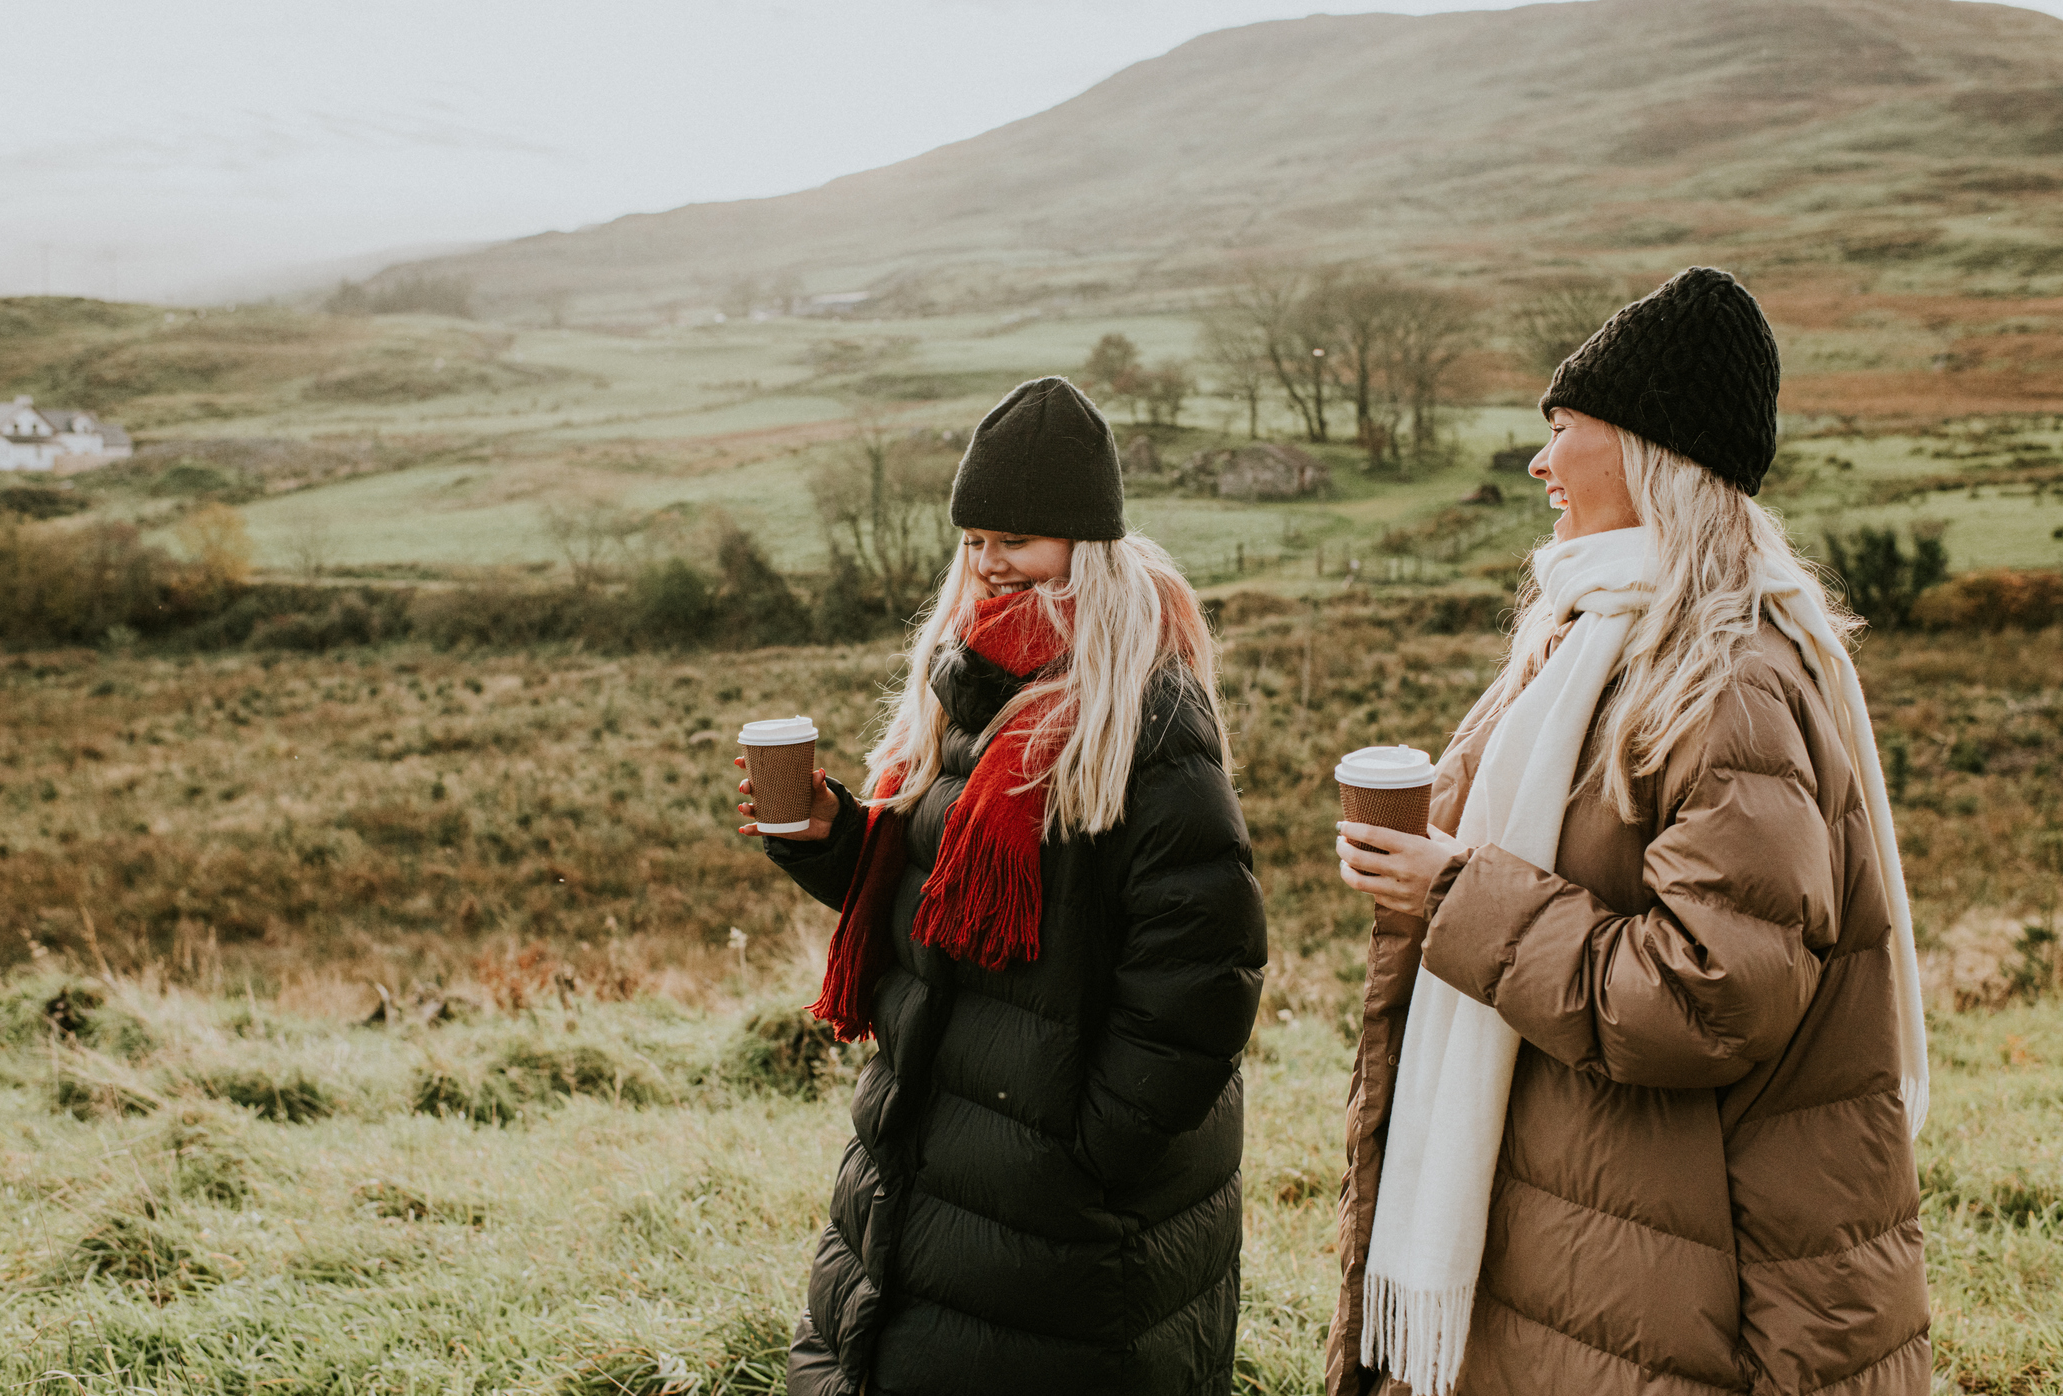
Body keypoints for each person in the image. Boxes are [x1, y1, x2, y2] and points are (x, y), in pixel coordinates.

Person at [1321, 268, 1930, 1396]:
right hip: (1607, 1239)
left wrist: (1455, 897)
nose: (1541, 464)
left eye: (1564, 433)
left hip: (1695, 1284)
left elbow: (1714, 991)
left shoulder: (1725, 680)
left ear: (1649, 450)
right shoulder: (1593, 637)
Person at [735, 376, 1266, 1396]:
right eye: (975, 538)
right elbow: (943, 905)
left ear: (1086, 545)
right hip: (928, 1160)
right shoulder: (973, 684)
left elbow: (1207, 973)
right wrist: (830, 835)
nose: (988, 564)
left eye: (1017, 539)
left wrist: (1085, 1154)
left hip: (1060, 1222)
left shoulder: (1142, 716)